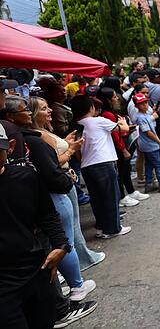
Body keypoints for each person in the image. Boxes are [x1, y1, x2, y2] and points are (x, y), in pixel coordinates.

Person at [0, 122, 87, 329]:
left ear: (9, 147)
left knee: (44, 321)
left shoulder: (26, 177)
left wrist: (60, 246)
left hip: (35, 270)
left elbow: (47, 215)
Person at [29, 98, 105, 272]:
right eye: (43, 108)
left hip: (63, 179)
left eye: (48, 107)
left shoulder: (42, 132)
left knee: (72, 225)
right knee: (69, 228)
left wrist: (66, 142)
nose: (49, 111)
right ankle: (81, 263)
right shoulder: (39, 135)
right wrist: (71, 150)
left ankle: (82, 257)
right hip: (60, 180)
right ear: (33, 113)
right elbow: (53, 161)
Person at [71, 95, 132, 239]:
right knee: (111, 196)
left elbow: (78, 154)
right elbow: (124, 130)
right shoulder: (98, 121)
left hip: (87, 165)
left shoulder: (76, 125)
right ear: (90, 107)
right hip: (103, 163)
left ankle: (101, 227)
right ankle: (112, 229)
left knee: (97, 198)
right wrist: (122, 121)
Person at [96, 87, 145, 207]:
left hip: (121, 145)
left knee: (125, 170)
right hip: (118, 148)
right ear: (107, 100)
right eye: (113, 97)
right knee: (121, 172)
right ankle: (122, 196)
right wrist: (123, 149)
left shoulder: (112, 112)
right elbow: (115, 134)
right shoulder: (108, 115)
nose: (116, 98)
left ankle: (130, 191)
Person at [133, 92, 160, 194]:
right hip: (150, 144)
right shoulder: (140, 117)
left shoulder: (144, 115)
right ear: (137, 106)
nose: (145, 105)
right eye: (141, 104)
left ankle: (149, 183)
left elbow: (150, 119)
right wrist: (158, 141)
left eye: (145, 103)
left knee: (149, 164)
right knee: (158, 164)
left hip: (146, 145)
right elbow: (148, 132)